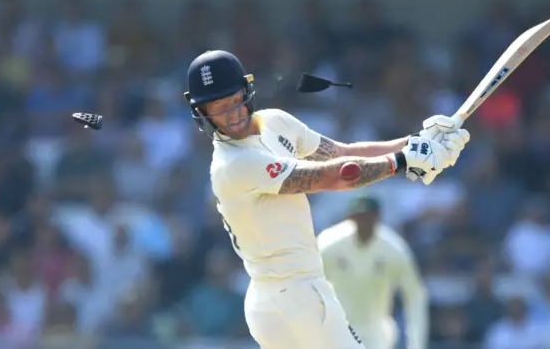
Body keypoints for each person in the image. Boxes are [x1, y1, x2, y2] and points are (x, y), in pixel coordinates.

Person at [182, 50, 470, 349]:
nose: (230, 115)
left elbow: (343, 153)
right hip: (293, 296)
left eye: (233, 100)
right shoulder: (233, 165)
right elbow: (333, 176)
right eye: (217, 107)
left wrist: (414, 142)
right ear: (201, 113)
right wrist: (402, 161)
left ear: (247, 91)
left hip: (289, 297)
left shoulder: (275, 122)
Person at [318, 196, 429, 349]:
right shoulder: (329, 243)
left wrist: (416, 344)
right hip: (336, 329)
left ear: (377, 217)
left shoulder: (394, 249)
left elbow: (414, 296)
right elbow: (308, 284)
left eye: (368, 216)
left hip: (376, 334)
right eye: (359, 217)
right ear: (350, 217)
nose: (364, 222)